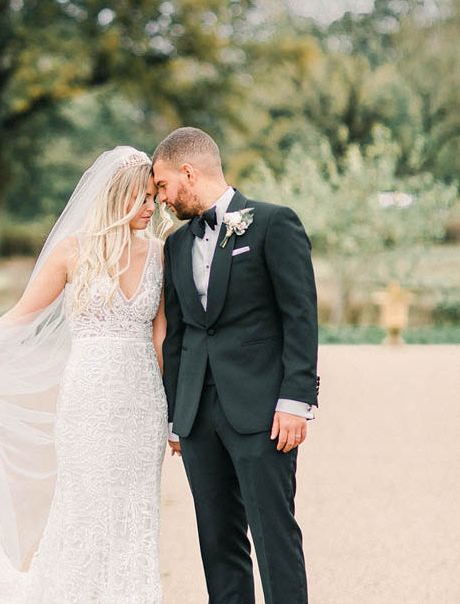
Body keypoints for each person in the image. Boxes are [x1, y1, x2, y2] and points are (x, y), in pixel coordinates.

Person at [0, 146, 173, 603]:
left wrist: (173, 413)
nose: (150, 207)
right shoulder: (73, 252)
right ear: (115, 196)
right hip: (87, 403)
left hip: (142, 408)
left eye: (152, 198)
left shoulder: (162, 255)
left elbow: (161, 339)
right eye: (140, 197)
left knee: (135, 512)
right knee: (83, 509)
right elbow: (18, 318)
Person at [154, 127, 319, 604]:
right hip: (199, 419)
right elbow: (181, 335)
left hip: (264, 413)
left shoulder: (273, 223)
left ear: (189, 172)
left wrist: (296, 400)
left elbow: (300, 317)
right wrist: (176, 417)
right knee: (218, 542)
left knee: (274, 536)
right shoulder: (177, 245)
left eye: (163, 186)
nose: (162, 199)